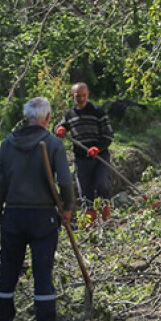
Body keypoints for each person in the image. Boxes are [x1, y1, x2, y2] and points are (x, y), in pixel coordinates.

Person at [0, 97, 76, 321]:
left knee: (8, 270)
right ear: (47, 118)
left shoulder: (8, 144)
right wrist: (68, 207)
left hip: (13, 215)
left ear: (27, 117)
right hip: (43, 217)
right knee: (42, 271)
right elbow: (66, 181)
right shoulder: (53, 144)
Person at [55, 82, 115, 221]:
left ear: (88, 95)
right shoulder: (70, 114)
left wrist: (98, 148)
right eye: (77, 96)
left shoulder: (97, 111)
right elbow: (60, 126)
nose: (81, 99)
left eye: (83, 96)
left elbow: (108, 135)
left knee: (102, 184)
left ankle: (106, 212)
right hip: (81, 158)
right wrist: (60, 129)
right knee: (84, 190)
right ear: (72, 96)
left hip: (99, 156)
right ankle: (90, 220)